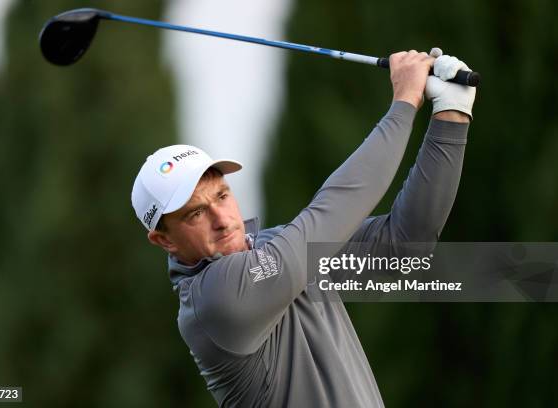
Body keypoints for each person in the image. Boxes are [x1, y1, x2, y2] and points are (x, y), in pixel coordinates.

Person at [131, 50, 476, 407]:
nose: (221, 217)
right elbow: (335, 209)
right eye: (195, 214)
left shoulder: (275, 247)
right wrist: (405, 101)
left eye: (221, 195)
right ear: (163, 240)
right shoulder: (213, 300)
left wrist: (451, 115)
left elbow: (405, 243)